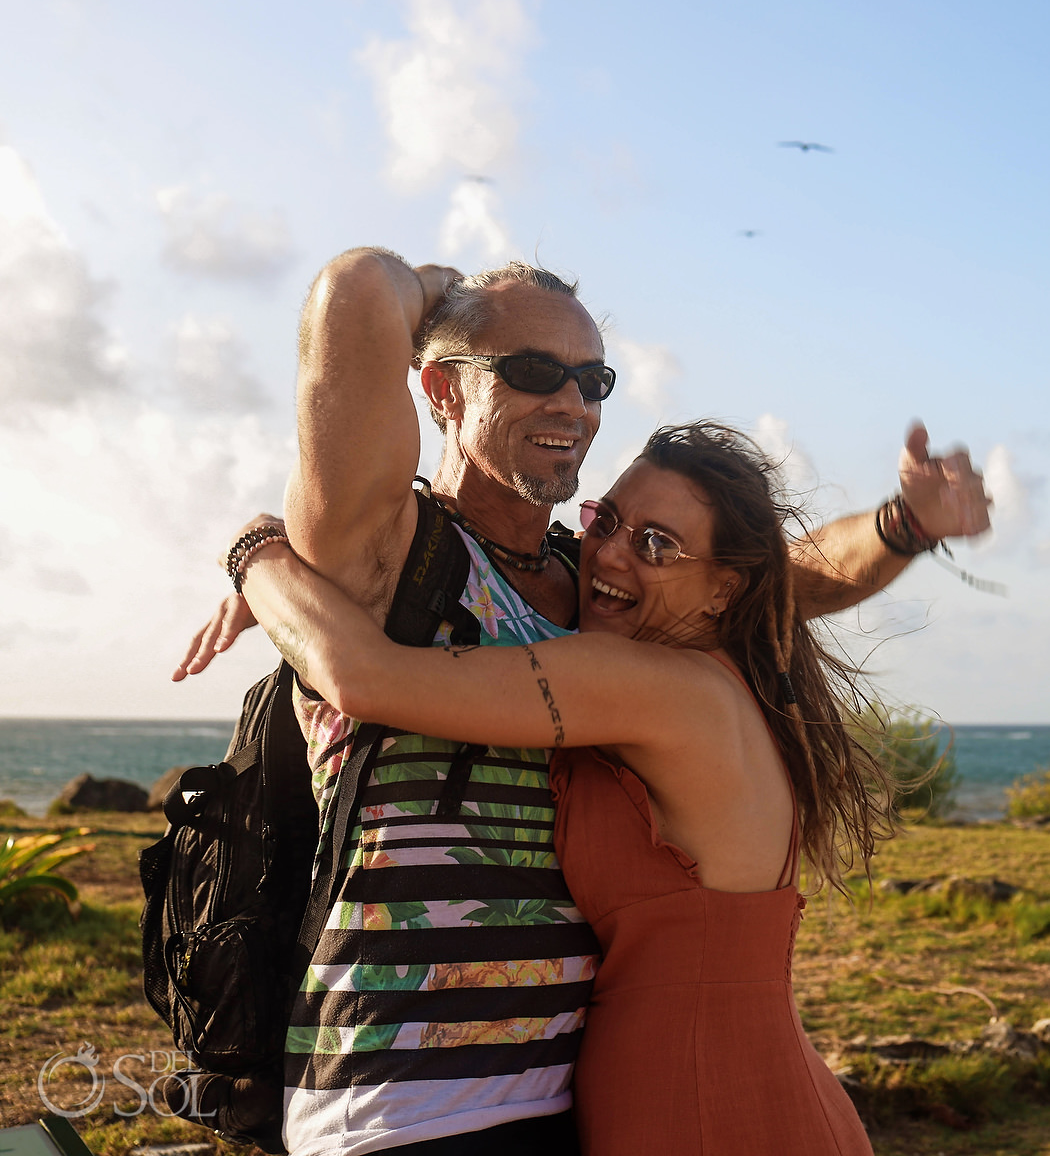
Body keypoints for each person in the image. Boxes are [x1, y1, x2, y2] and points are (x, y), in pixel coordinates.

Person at [173, 249, 992, 1156]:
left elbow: (768, 574)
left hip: (571, 1098)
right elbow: (356, 290)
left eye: (593, 379)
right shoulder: (389, 551)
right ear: (441, 390)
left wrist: (900, 527)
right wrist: (436, 288)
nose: (573, 402)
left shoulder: (598, 590)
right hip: (406, 1098)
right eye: (531, 372)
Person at [233, 421, 900, 1154]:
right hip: (752, 1088)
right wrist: (904, 525)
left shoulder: (643, 684)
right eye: (606, 520)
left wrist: (261, 553)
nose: (610, 552)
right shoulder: (724, 677)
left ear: (722, 591)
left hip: (696, 1102)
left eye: (655, 544)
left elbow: (362, 676)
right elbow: (795, 572)